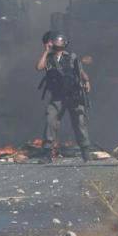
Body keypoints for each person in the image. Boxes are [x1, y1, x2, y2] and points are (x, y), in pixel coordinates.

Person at [35, 31, 91, 163]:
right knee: (51, 121)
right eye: (56, 41)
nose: (59, 43)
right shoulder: (49, 58)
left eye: (60, 41)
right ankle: (47, 153)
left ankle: (85, 150)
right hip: (57, 97)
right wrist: (46, 51)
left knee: (79, 123)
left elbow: (80, 71)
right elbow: (39, 67)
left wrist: (87, 81)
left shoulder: (71, 56)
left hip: (73, 95)